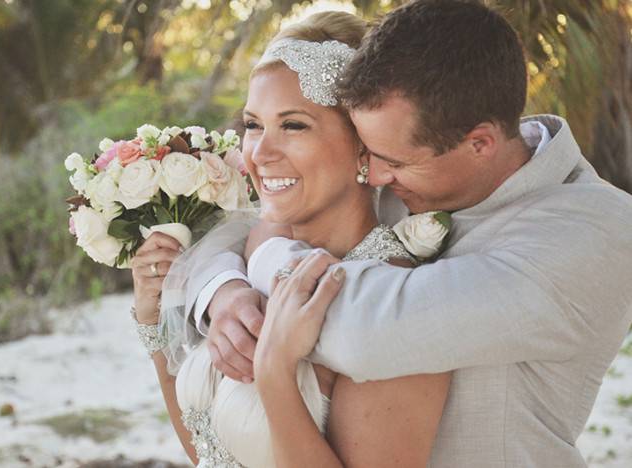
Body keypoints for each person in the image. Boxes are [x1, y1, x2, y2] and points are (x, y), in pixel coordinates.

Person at [183, 1, 632, 467]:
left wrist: (265, 255)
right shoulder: (415, 157)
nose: (373, 175)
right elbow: (240, 226)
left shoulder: (596, 231)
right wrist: (224, 290)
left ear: (480, 144)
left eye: (393, 163)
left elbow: (366, 332)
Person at [131, 10, 452, 467]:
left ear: (364, 145)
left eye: (294, 125)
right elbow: (210, 448)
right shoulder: (255, 260)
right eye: (253, 125)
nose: (260, 152)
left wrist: (276, 373)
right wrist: (152, 322)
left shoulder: (392, 301)